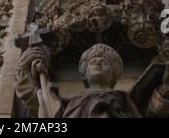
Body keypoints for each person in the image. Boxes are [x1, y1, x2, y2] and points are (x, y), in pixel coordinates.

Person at [15, 43, 169, 118]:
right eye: (92, 61)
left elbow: (152, 111)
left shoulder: (124, 98)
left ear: (115, 75)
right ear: (83, 74)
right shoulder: (70, 102)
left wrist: (163, 92)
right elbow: (36, 98)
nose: (98, 62)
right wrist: (27, 65)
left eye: (105, 62)